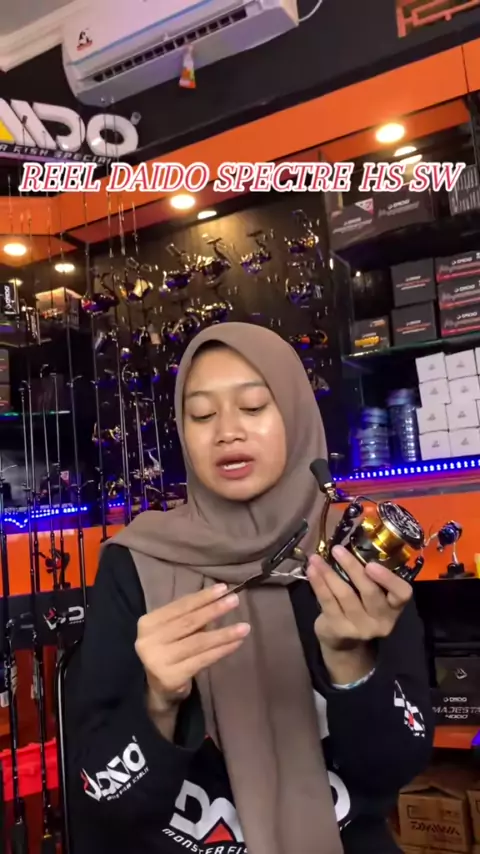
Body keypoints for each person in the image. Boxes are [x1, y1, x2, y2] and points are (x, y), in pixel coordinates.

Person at [67, 322, 434, 854]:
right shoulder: (136, 562)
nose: (227, 432)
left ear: (295, 414)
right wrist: (159, 701)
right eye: (201, 414)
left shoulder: (354, 556)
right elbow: (101, 797)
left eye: (254, 406)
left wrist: (352, 661)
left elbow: (392, 770)